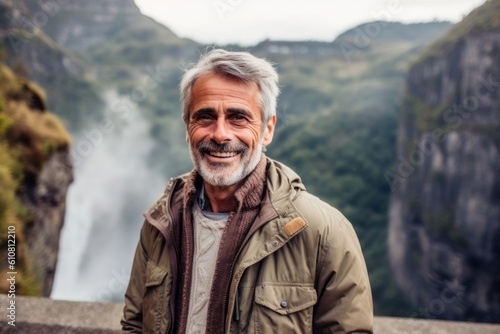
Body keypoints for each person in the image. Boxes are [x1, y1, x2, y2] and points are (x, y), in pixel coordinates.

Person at [121, 49, 373, 334]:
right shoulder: (161, 220)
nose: (220, 134)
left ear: (268, 129)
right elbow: (135, 324)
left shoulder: (325, 232)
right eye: (205, 116)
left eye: (238, 117)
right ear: (187, 127)